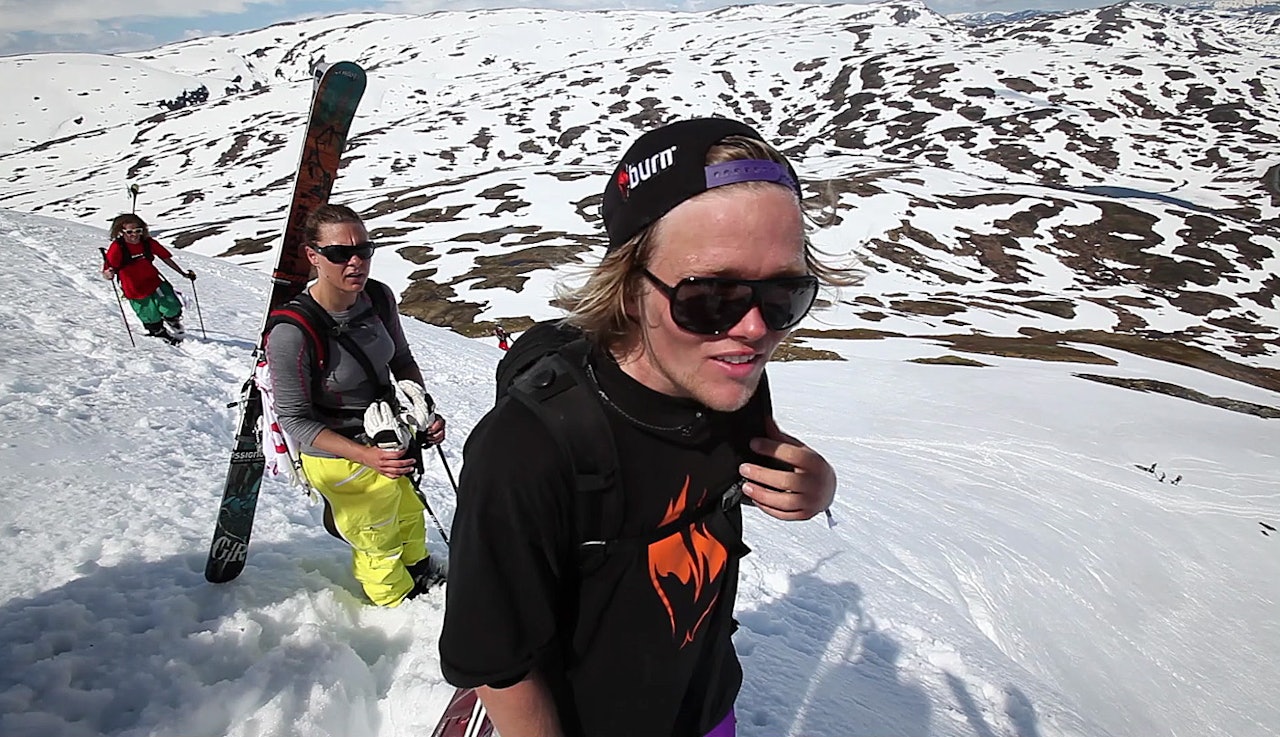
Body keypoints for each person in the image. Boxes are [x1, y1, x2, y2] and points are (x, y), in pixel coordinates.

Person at [439, 117, 850, 737]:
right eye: (710, 297)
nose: (756, 330)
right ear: (629, 287)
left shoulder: (726, 380)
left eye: (785, 295)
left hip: (706, 706)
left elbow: (758, 454)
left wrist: (816, 486)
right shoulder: (524, 452)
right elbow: (499, 663)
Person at [266, 204, 447, 607]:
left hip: (388, 436)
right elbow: (294, 419)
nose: (355, 261)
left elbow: (400, 359)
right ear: (313, 256)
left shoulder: (378, 298)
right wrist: (364, 455)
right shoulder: (292, 332)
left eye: (364, 250)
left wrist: (423, 410)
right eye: (339, 254)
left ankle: (419, 570)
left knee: (407, 510)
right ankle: (398, 603)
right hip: (340, 453)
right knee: (375, 537)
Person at [101, 213, 196, 343]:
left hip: (154, 282)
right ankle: (158, 332)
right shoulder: (118, 247)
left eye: (138, 231)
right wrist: (108, 274)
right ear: (121, 232)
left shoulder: (148, 243)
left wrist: (183, 273)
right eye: (129, 232)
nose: (134, 235)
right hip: (134, 288)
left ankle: (172, 320)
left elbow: (165, 257)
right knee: (149, 314)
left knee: (171, 305)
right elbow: (107, 269)